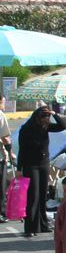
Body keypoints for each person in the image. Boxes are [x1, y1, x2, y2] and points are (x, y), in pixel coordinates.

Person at [18, 107, 65, 237]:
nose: (47, 120)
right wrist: (18, 168)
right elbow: (22, 151)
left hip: (44, 164)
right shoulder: (26, 129)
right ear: (38, 117)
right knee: (33, 196)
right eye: (44, 117)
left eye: (47, 118)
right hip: (30, 165)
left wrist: (54, 114)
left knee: (43, 195)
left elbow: (61, 126)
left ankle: (42, 225)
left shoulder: (46, 127)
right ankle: (30, 227)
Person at [0, 94, 10, 222]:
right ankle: (1, 212)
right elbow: (5, 137)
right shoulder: (1, 116)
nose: (4, 105)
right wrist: (10, 151)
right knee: (1, 186)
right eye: (3, 102)